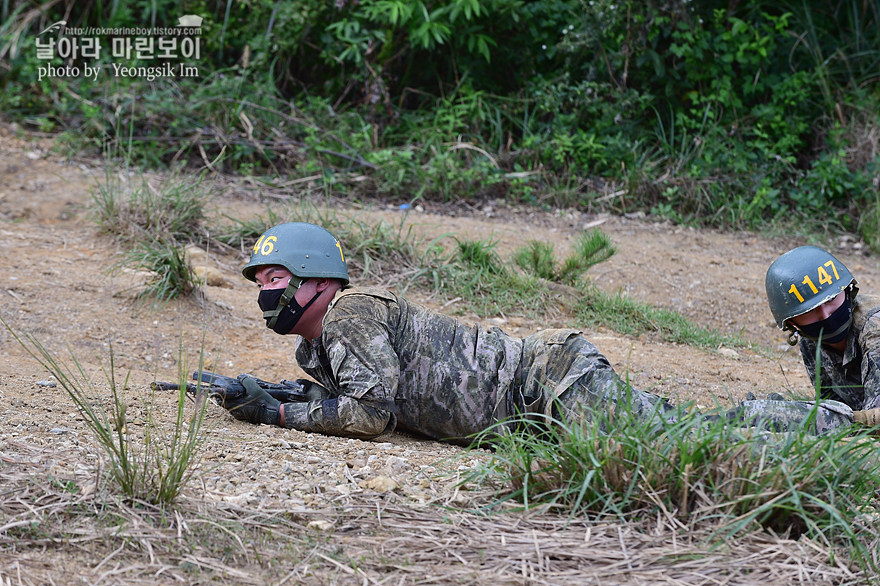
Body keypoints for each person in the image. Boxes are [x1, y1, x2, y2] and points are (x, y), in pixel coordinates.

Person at [217, 222, 681, 445]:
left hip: (550, 382)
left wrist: (277, 414)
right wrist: (295, 394)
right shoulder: (312, 346)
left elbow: (371, 415)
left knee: (667, 439)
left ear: (317, 279)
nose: (265, 294)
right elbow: (374, 397)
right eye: (260, 284)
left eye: (274, 280)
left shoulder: (348, 314)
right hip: (533, 410)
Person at [765, 245, 880, 413]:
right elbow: (831, 405)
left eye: (831, 298)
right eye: (809, 310)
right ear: (791, 322)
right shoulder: (810, 342)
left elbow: (874, 420)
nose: (825, 315)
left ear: (847, 290)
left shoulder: (875, 326)